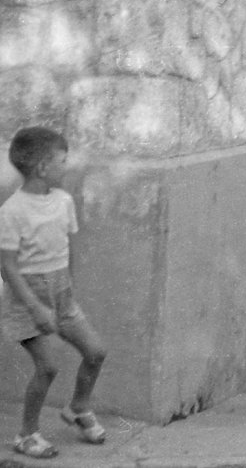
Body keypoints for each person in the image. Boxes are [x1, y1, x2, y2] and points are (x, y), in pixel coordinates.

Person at [1, 127, 107, 459]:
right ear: (42, 168)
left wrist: (68, 290)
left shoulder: (63, 201)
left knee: (95, 352)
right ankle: (26, 434)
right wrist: (34, 306)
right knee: (47, 367)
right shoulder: (12, 211)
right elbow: (6, 266)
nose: (68, 166)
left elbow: (68, 248)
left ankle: (78, 407)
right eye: (63, 161)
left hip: (61, 294)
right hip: (27, 300)